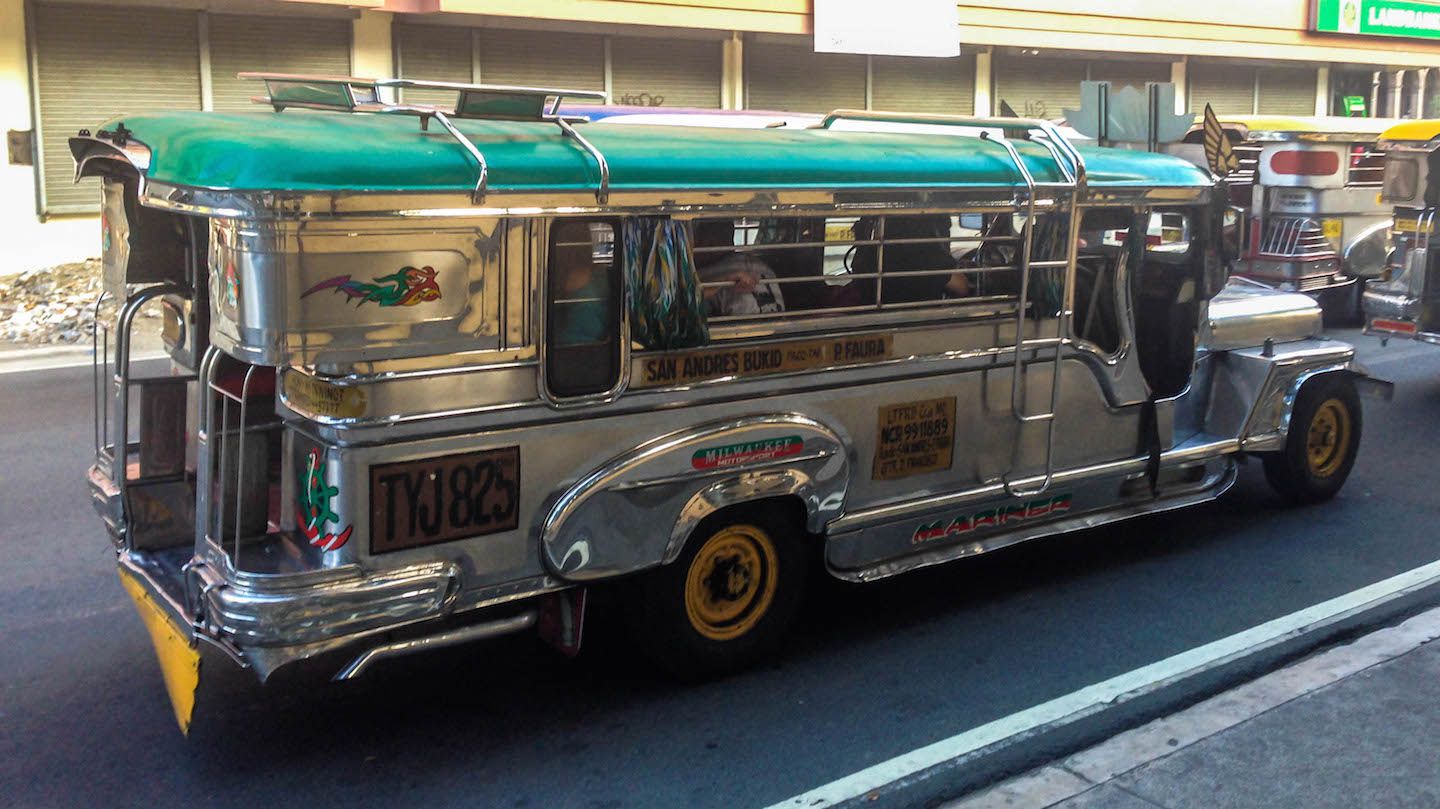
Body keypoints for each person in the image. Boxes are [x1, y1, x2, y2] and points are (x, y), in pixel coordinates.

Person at [692, 220, 785, 317]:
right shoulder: (762, 265)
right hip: (781, 326)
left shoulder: (707, 273)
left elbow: (688, 303)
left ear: (710, 244)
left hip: (741, 328)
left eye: (697, 240)